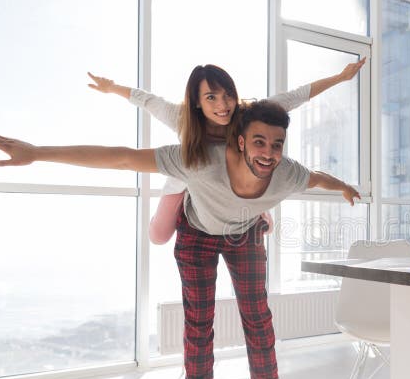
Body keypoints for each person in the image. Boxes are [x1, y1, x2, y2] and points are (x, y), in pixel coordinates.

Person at [0, 100, 360, 379]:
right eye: (259, 141)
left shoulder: (287, 173)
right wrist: (38, 152)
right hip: (198, 234)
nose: (269, 153)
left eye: (277, 145)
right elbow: (122, 157)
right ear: (240, 141)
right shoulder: (198, 159)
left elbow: (317, 178)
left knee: (257, 316)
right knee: (198, 319)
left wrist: (342, 185)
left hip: (245, 234)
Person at [87, 58, 366, 244]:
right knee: (158, 236)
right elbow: (147, 101)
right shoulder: (181, 117)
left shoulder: (248, 116)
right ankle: (193, 209)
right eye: (211, 97)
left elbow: (296, 96)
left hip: (235, 187)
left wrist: (340, 78)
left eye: (228, 95)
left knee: (257, 220)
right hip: (187, 182)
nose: (223, 105)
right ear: (197, 102)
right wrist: (112, 88)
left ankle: (255, 213)